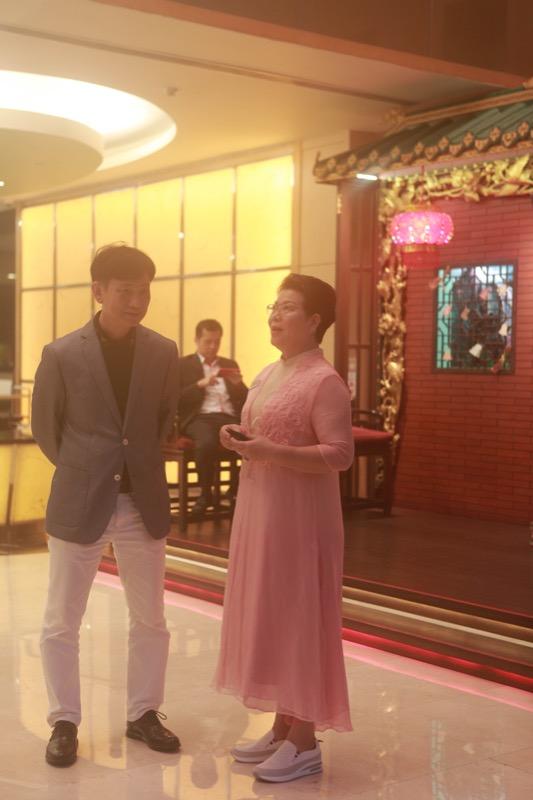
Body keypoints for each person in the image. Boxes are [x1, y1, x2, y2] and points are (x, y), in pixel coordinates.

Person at [32, 244, 181, 768]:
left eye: (144, 291)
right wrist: (86, 468)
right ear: (99, 291)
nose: (137, 301)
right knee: (61, 619)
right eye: (125, 291)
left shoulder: (163, 351)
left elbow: (164, 419)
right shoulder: (61, 354)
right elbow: (47, 429)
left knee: (151, 618)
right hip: (80, 501)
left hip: (143, 501)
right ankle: (64, 721)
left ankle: (143, 713)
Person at [214, 273, 354, 783]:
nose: (275, 315)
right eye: (274, 306)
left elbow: (339, 454)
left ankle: (305, 739)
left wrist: (270, 451)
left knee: (300, 616)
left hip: (301, 520)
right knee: (273, 612)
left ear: (315, 320)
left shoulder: (324, 381)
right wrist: (240, 438)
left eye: (288, 307)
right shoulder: (270, 372)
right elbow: (267, 434)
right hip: (262, 511)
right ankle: (282, 725)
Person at [177, 320, 247, 513]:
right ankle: (205, 493)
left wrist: (239, 384)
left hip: (229, 417)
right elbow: (174, 398)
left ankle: (235, 489)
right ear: (196, 340)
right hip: (200, 418)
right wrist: (200, 384)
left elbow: (246, 399)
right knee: (206, 443)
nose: (213, 346)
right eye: (208, 341)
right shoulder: (183, 365)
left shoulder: (229, 364)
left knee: (251, 442)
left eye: (217, 342)